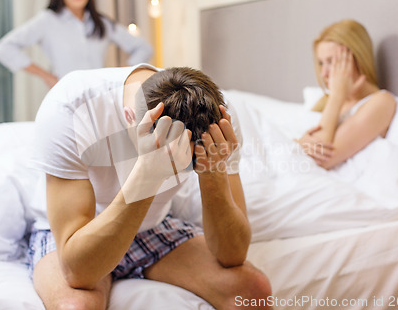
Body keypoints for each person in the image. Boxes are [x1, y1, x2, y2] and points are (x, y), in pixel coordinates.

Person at [28, 63, 272, 309]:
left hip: (151, 227)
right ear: (129, 118)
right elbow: (79, 273)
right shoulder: (72, 106)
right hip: (77, 232)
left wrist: (212, 170)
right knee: (76, 306)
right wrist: (148, 174)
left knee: (254, 290)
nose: (177, 167)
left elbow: (233, 255)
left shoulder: (217, 118)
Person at [0, 0, 152, 89]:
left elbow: (144, 48)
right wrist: (47, 76)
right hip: (66, 97)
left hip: (99, 97)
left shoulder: (102, 23)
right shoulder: (47, 20)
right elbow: (4, 48)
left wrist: (121, 75)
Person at [296, 19, 397, 169]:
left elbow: (321, 159)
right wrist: (300, 143)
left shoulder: (382, 102)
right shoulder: (325, 100)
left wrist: (337, 95)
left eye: (331, 61)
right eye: (321, 63)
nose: (324, 73)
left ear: (356, 58)